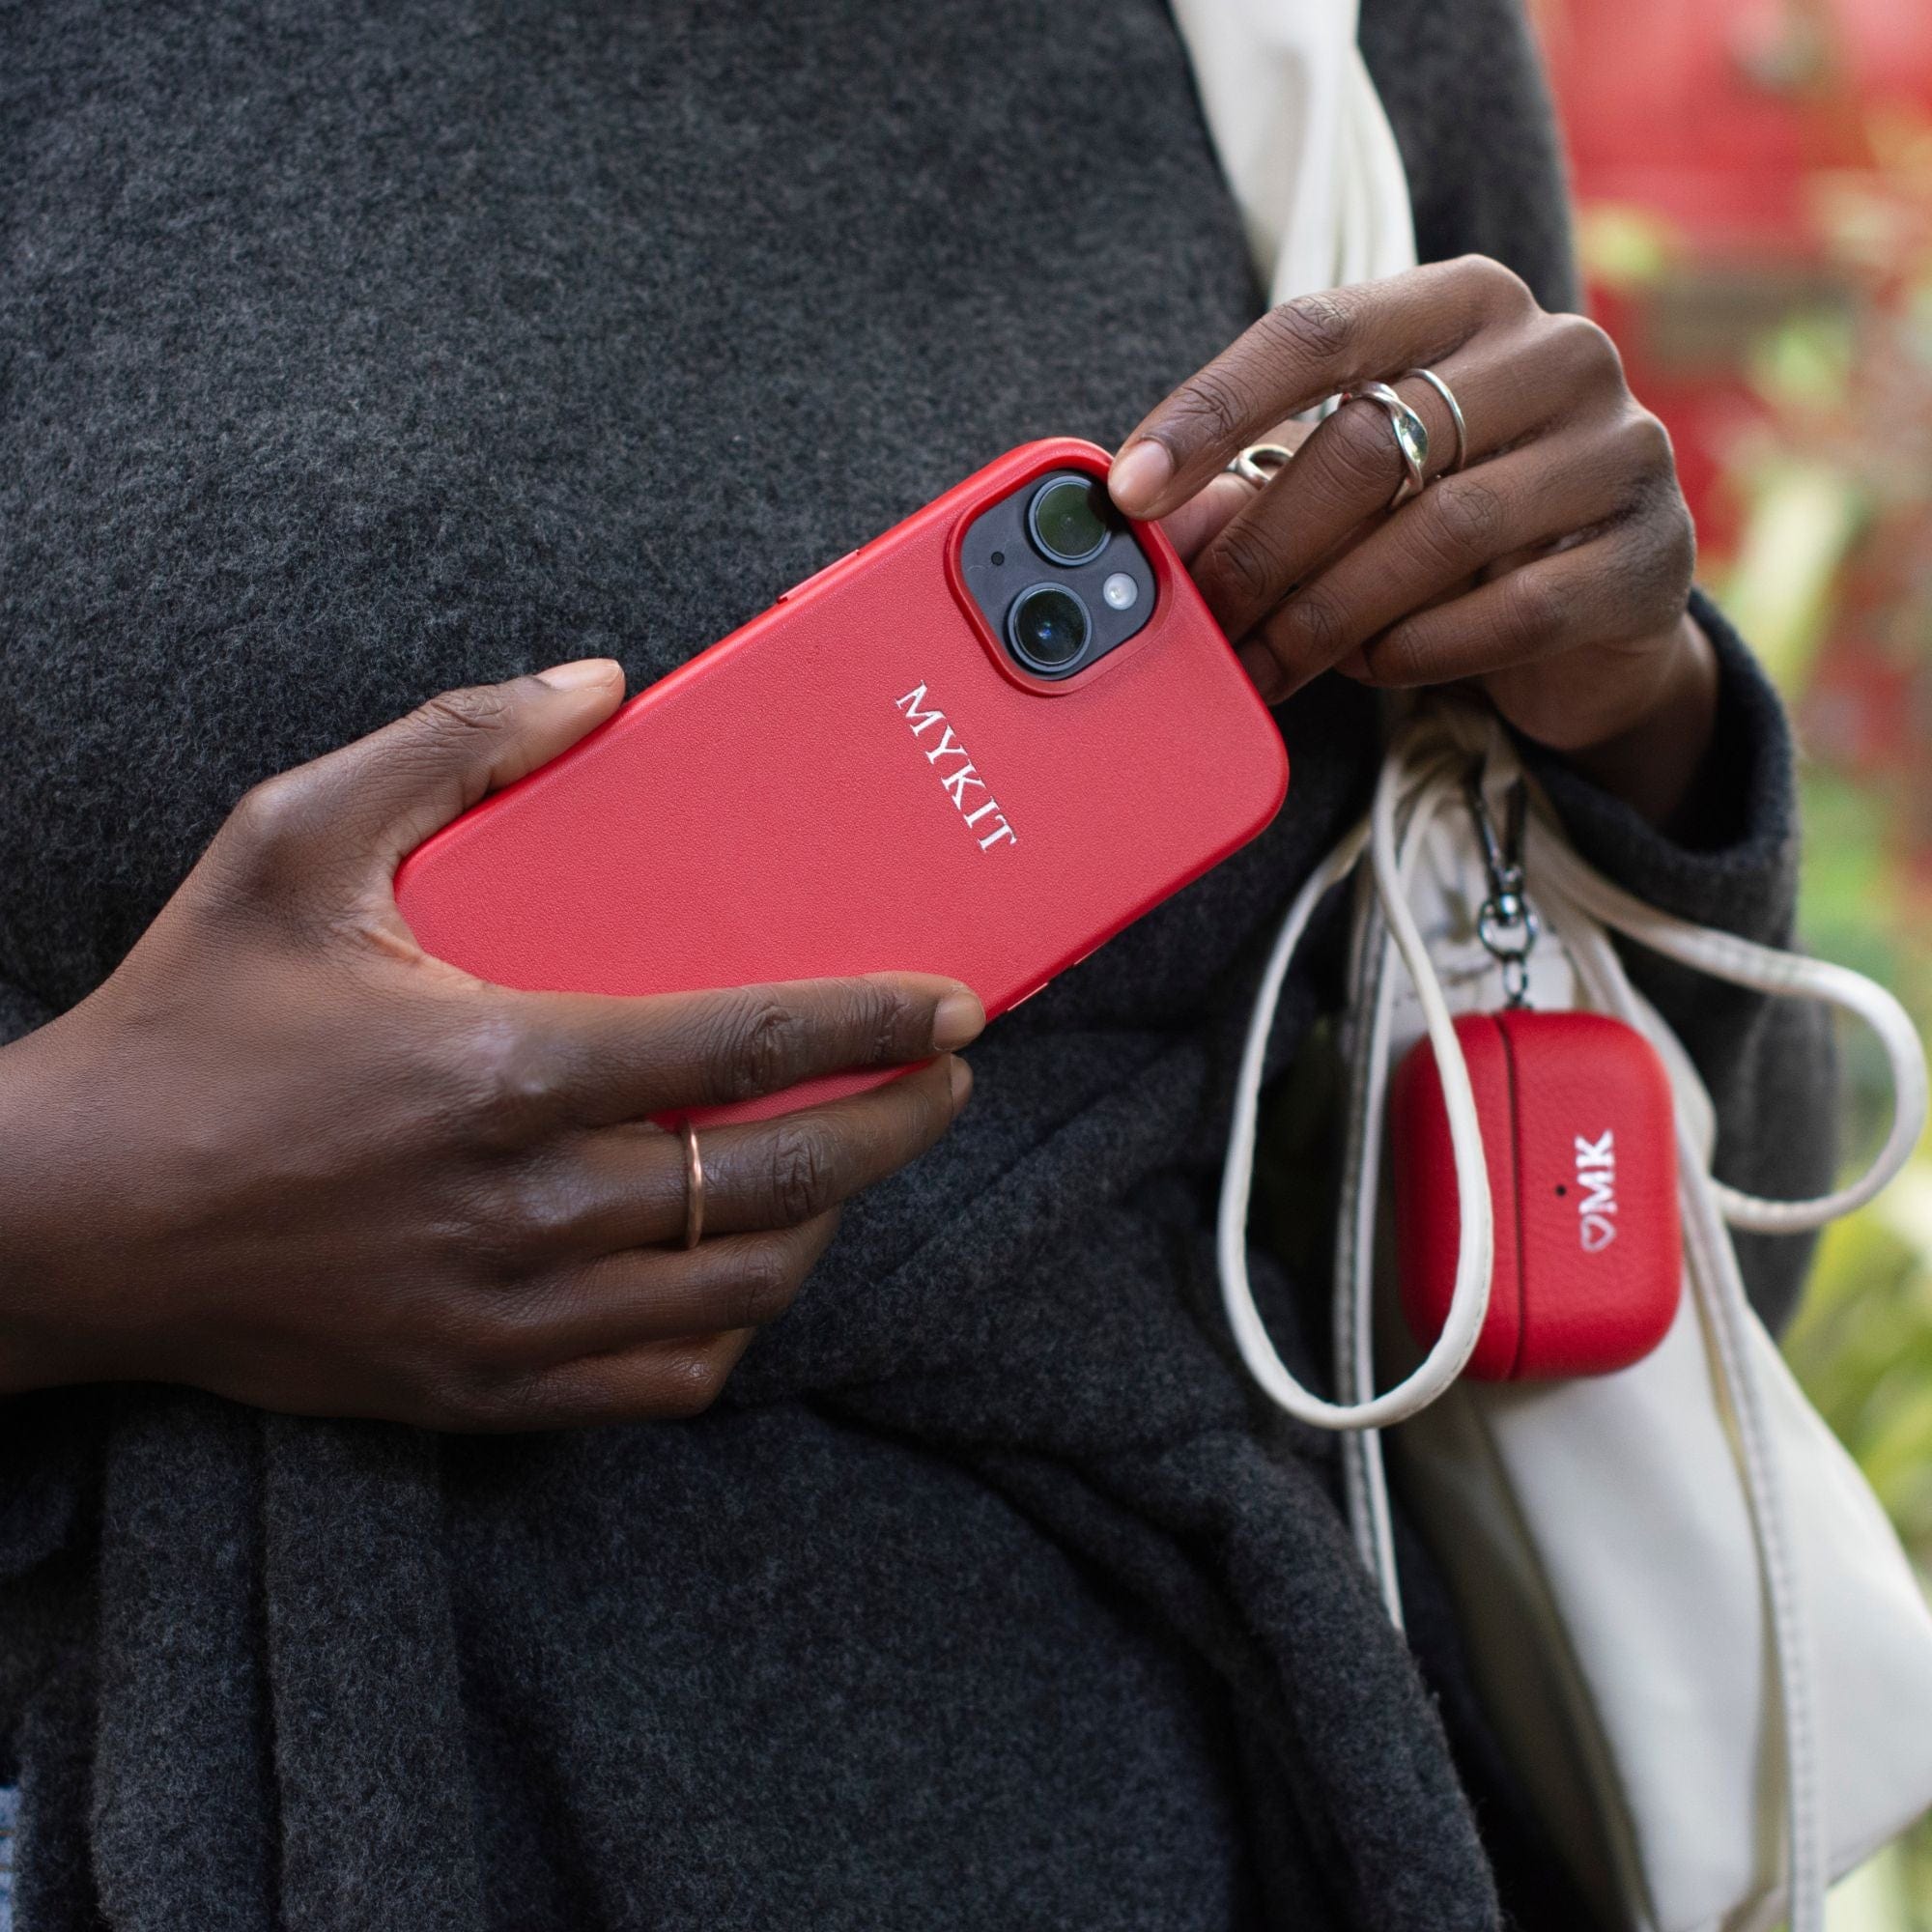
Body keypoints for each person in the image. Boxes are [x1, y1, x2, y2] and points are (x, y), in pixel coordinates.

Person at [0, 0, 1833, 1925]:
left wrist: (1631, 724)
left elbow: (1594, 1278)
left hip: (1121, 1799)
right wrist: (83, 1213)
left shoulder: (1315, 44)